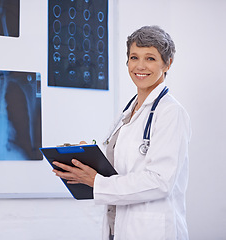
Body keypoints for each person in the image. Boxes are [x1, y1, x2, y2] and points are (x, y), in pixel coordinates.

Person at [52, 25, 191, 240]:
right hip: (117, 226)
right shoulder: (128, 111)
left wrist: (96, 182)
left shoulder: (171, 113)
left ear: (167, 63)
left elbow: (160, 182)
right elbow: (123, 165)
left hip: (151, 231)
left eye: (151, 58)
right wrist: (87, 158)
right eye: (134, 57)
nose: (140, 66)